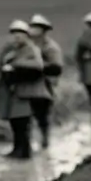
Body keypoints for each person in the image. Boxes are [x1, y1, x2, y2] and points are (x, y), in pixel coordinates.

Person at [0, 20, 49, 160]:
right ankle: (17, 149)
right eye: (14, 34)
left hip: (25, 91)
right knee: (14, 122)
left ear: (26, 35)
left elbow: (38, 65)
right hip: (12, 90)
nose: (16, 37)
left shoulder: (31, 49)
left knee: (23, 122)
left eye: (19, 34)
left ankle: (25, 152)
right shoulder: (11, 49)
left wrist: (15, 65)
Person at [28, 14, 63, 148]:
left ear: (43, 30)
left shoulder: (50, 47)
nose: (33, 30)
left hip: (44, 85)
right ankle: (31, 142)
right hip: (29, 84)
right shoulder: (29, 44)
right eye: (32, 27)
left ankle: (45, 140)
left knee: (42, 115)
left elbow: (56, 67)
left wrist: (38, 67)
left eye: (36, 27)